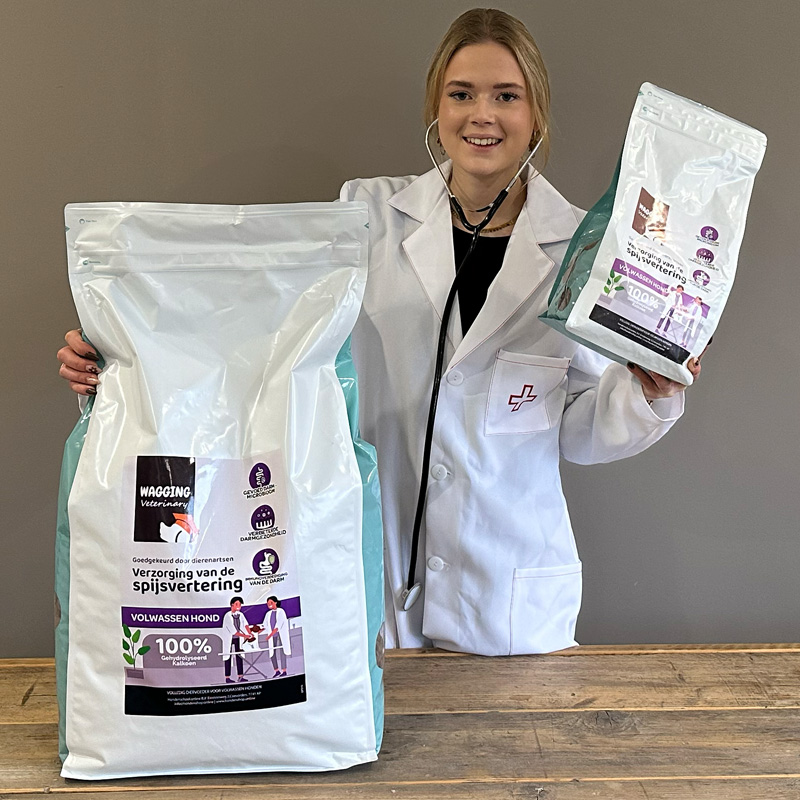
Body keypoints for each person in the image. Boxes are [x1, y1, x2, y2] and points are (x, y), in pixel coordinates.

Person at [57, 9, 706, 657]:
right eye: (461, 94)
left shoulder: (582, 252)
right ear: (436, 109)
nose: (482, 114)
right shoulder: (365, 217)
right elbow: (261, 320)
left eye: (506, 96)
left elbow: (580, 431)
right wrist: (125, 351)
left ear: (536, 115)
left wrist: (648, 393)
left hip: (509, 592)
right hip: (376, 575)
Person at [220, 596, 252, 683]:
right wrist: (245, 635)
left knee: (239, 656)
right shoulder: (227, 616)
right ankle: (227, 677)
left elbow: (245, 624)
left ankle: (240, 676)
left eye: (240, 604)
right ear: (232, 605)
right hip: (230, 638)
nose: (238, 606)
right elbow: (233, 631)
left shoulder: (240, 615)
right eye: (237, 604)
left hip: (238, 638)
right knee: (228, 657)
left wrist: (250, 633)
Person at [263, 596, 291, 677]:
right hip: (272, 635)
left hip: (280, 634)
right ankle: (276, 671)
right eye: (268, 603)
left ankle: (284, 671)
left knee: (282, 651)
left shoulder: (281, 611)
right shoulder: (268, 614)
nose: (269, 604)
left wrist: (270, 635)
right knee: (272, 652)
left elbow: (278, 625)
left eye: (271, 603)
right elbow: (265, 625)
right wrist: (258, 630)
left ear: (275, 602)